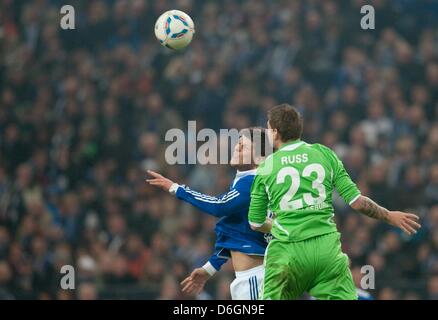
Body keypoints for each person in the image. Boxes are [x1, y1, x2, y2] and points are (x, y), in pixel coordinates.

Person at [248, 104, 421, 300]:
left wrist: (281, 225)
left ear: (275, 132)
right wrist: (389, 216)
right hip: (326, 251)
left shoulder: (266, 167)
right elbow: (357, 202)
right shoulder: (324, 154)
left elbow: (255, 222)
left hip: (287, 252)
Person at [146, 128, 271, 300]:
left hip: (256, 278)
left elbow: (219, 206)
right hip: (252, 277)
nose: (236, 148)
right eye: (237, 144)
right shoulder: (249, 182)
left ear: (259, 158)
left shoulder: (251, 182)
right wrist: (211, 267)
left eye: (243, 147)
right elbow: (234, 230)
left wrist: (176, 188)